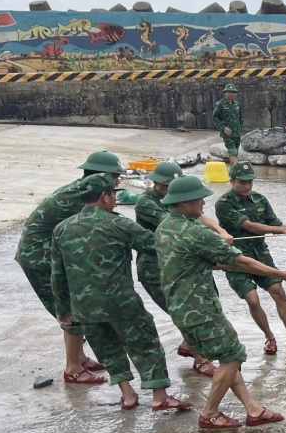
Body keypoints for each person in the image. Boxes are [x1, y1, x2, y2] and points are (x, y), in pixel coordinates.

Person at [156, 176, 286, 429]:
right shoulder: (196, 232)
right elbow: (239, 261)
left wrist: (224, 257)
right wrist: (280, 274)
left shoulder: (165, 227)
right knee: (233, 355)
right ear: (185, 202)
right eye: (199, 198)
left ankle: (253, 410)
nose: (203, 202)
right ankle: (210, 413)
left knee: (227, 356)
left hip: (180, 305)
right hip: (199, 307)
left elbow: (208, 261)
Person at [51, 174, 192, 411]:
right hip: (120, 301)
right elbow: (155, 244)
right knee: (146, 344)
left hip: (84, 306)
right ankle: (159, 396)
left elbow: (57, 273)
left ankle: (127, 395)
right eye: (114, 194)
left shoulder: (61, 229)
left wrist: (62, 308)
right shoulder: (119, 224)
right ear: (105, 196)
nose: (115, 200)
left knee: (107, 349)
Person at [15, 150, 124, 384]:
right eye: (115, 177)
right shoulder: (80, 197)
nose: (117, 182)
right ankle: (73, 368)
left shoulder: (82, 190)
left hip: (48, 252)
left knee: (76, 305)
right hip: (40, 257)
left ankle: (80, 357)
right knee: (72, 309)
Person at [215, 161, 286, 355]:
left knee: (278, 291)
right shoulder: (224, 204)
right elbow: (250, 227)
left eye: (250, 182)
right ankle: (269, 336)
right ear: (232, 181)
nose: (246, 186)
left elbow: (274, 223)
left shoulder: (260, 200)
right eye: (242, 182)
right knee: (252, 299)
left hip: (261, 254)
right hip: (236, 259)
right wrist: (284, 229)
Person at [134, 161, 219, 377]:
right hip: (156, 265)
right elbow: (179, 223)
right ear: (155, 183)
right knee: (182, 311)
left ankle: (189, 345)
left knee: (205, 301)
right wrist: (209, 239)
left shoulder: (181, 200)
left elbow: (196, 214)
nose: (170, 189)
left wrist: (220, 230)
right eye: (166, 185)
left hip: (183, 261)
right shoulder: (146, 203)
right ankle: (200, 359)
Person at [212, 83, 243, 166]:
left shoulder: (237, 104)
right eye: (229, 92)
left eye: (233, 92)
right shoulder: (220, 104)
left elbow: (240, 118)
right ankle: (238, 170)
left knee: (235, 152)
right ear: (225, 93)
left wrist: (240, 129)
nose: (231, 94)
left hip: (237, 132)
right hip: (227, 133)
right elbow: (215, 118)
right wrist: (223, 128)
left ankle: (232, 172)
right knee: (232, 151)